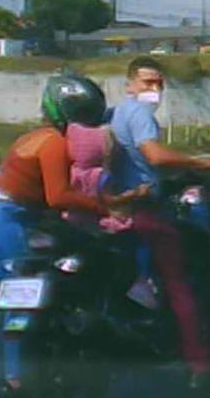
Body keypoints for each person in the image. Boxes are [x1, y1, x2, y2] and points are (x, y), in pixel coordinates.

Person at [0, 73, 112, 397]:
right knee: (23, 297)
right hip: (5, 220)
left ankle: (25, 371)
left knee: (31, 292)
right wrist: (102, 207)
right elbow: (58, 196)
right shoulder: (54, 144)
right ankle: (16, 378)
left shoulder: (37, 136)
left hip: (0, 215)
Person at [109, 56, 210, 389]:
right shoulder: (138, 114)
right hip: (145, 210)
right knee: (178, 284)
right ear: (129, 84)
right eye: (146, 83)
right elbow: (154, 156)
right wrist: (207, 164)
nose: (154, 90)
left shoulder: (117, 113)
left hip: (115, 210)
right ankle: (199, 363)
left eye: (158, 84)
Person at [63, 121, 157, 308]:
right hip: (98, 221)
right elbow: (110, 200)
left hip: (74, 219)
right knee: (136, 238)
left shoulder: (71, 172)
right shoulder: (99, 175)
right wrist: (135, 194)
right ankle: (141, 280)